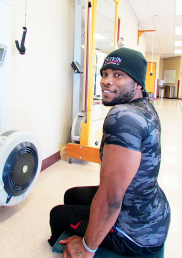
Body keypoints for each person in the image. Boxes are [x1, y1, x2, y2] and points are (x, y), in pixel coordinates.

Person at [48, 47, 171, 257]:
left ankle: (64, 248)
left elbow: (110, 200)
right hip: (153, 211)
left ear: (138, 82)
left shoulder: (123, 116)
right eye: (104, 74)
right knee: (72, 195)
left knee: (57, 215)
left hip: (136, 234)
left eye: (118, 75)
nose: (106, 80)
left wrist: (87, 247)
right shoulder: (145, 106)